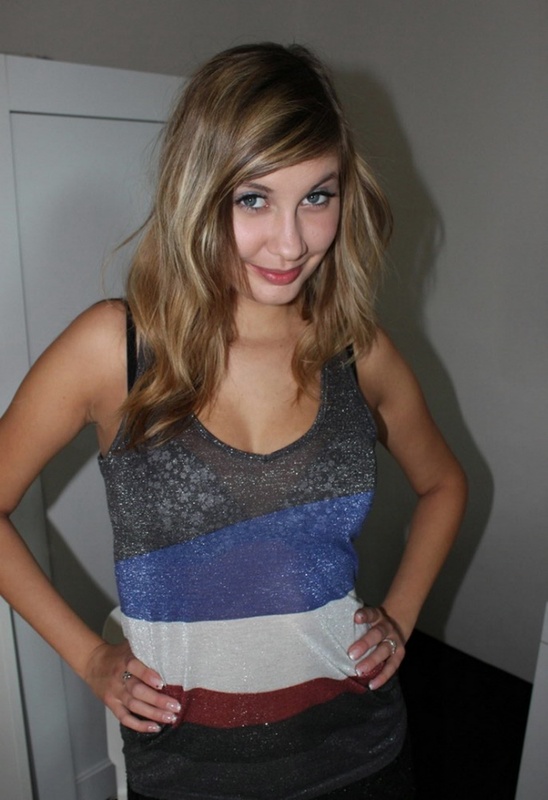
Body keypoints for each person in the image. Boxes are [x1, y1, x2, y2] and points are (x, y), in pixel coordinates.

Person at [0, 43, 467, 799]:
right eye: (254, 199)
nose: (292, 242)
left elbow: (444, 484)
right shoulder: (114, 349)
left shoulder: (358, 352)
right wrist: (90, 657)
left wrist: (402, 616)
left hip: (363, 756)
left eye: (317, 196)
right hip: (188, 774)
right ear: (198, 192)